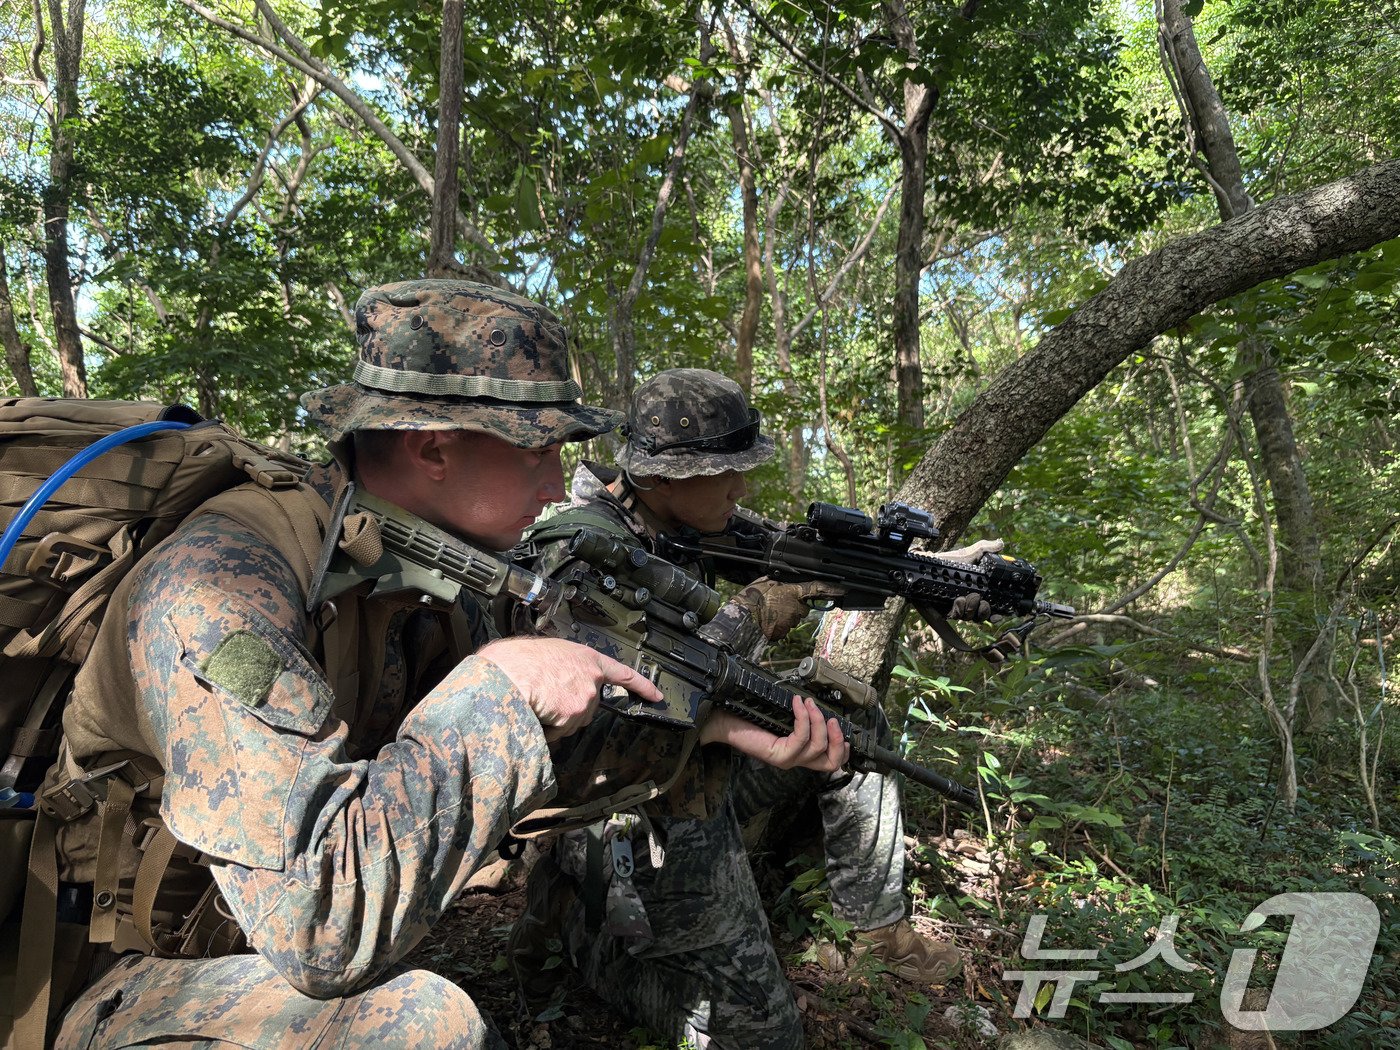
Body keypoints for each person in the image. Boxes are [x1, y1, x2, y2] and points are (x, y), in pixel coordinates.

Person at [35, 284, 842, 1050]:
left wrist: (703, 730)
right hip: (123, 983)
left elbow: (531, 771)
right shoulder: (220, 585)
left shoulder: (421, 576)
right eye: (537, 454)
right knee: (424, 1028)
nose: (560, 482)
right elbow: (318, 921)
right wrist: (498, 688)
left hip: (244, 955)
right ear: (432, 450)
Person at [509, 368, 990, 1048]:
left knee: (846, 718)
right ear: (666, 477)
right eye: (726, 472)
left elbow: (799, 553)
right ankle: (592, 948)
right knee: (764, 1037)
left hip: (702, 768)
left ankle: (878, 932)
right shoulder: (579, 550)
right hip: (627, 806)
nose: (741, 487)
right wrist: (758, 609)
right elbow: (633, 694)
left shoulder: (695, 521)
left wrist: (940, 576)